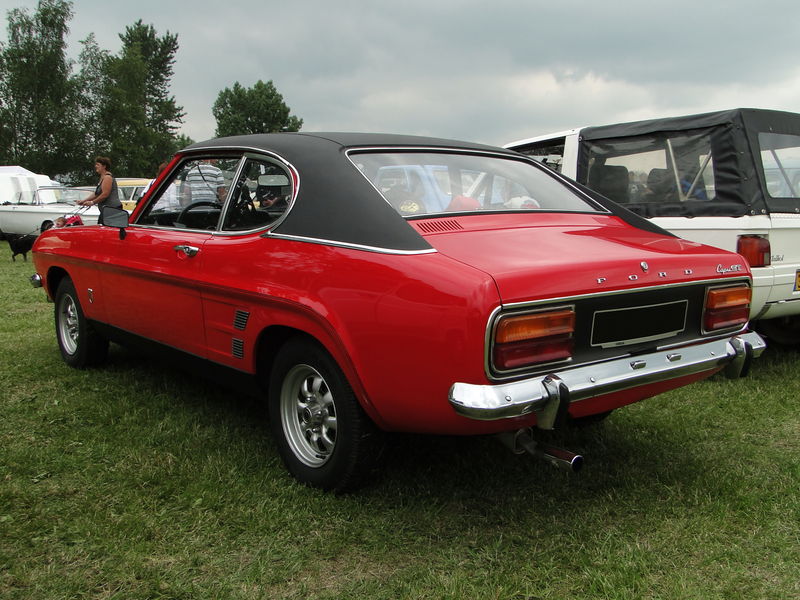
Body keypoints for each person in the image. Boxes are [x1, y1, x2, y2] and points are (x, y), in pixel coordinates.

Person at [77, 156, 123, 224]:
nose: (96, 166)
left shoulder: (107, 177)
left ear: (104, 166)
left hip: (112, 210)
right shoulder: (102, 177)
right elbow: (96, 193)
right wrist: (84, 201)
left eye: (98, 165)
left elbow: (105, 194)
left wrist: (92, 202)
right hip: (106, 210)